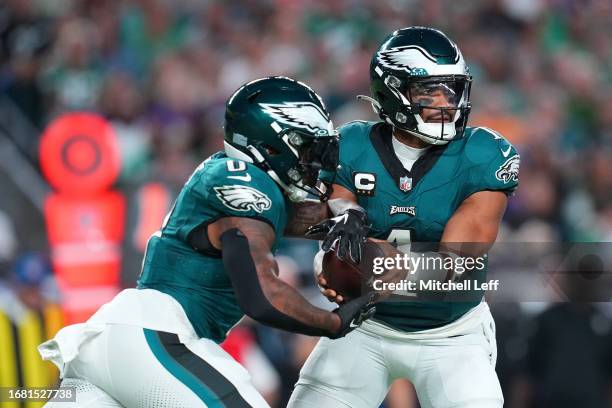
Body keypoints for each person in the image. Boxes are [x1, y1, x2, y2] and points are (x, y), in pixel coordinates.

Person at [38, 76, 376, 408]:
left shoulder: (242, 183)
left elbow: (312, 218)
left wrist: (355, 216)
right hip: (155, 338)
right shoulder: (245, 184)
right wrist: (334, 321)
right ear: (272, 144)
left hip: (116, 343)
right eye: (307, 148)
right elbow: (261, 296)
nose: (315, 162)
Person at [288, 27, 520, 408]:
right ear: (392, 92)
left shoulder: (482, 152)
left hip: (451, 333)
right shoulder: (352, 143)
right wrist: (343, 225)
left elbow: (459, 260)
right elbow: (337, 204)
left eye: (453, 89)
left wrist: (369, 266)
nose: (446, 102)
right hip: (364, 327)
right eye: (430, 90)